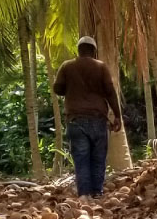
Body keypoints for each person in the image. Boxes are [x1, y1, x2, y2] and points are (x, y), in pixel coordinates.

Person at [53, 36, 123, 197]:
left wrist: (71, 88)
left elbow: (58, 89)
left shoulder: (67, 66)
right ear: (94, 51)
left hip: (75, 120)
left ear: (78, 50)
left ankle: (84, 195)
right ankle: (97, 193)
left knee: (81, 159)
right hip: (98, 119)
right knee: (98, 158)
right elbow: (110, 92)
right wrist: (117, 116)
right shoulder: (101, 67)